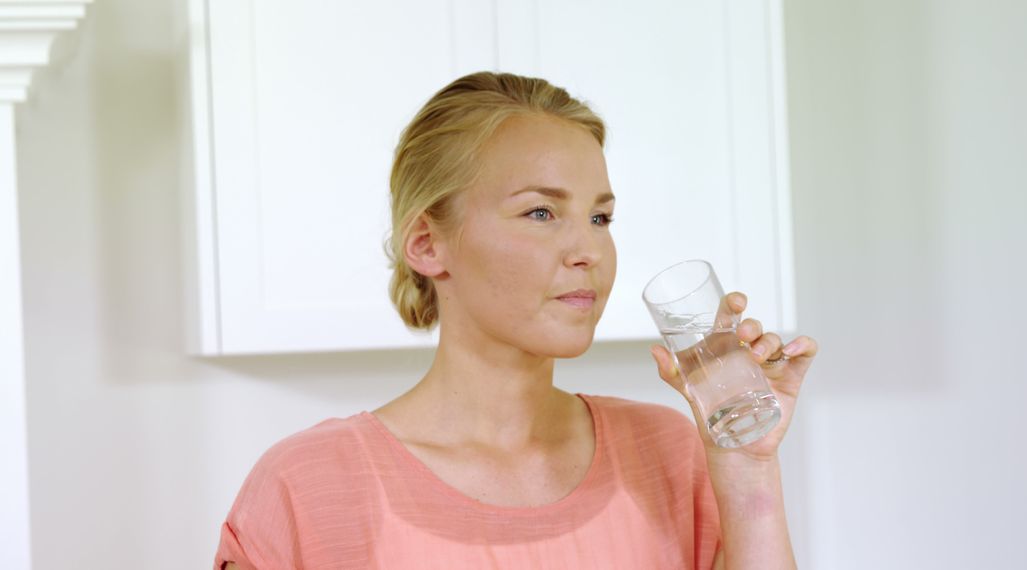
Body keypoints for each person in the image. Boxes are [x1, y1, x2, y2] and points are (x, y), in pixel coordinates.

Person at [214, 71, 817, 569]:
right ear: (427, 244)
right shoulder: (310, 488)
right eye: (540, 212)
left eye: (600, 219)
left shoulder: (670, 455)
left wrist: (747, 469)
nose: (588, 250)